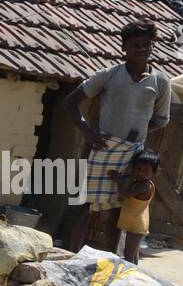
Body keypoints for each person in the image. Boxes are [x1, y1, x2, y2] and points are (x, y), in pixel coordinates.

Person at [64, 20, 171, 251]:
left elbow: (161, 120)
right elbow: (70, 101)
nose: (141, 49)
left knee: (116, 210)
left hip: (131, 153)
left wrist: (136, 135)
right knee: (84, 206)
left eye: (146, 44)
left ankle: (112, 259)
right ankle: (73, 256)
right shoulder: (108, 75)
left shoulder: (161, 82)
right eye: (135, 45)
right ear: (124, 48)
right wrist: (87, 132)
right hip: (102, 147)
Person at [113, 149, 159, 264]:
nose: (140, 172)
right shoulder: (139, 182)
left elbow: (125, 194)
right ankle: (132, 272)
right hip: (134, 223)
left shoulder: (144, 185)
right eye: (138, 169)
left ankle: (127, 276)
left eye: (145, 170)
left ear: (154, 172)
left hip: (136, 225)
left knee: (128, 253)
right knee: (132, 253)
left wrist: (118, 180)